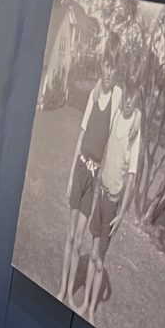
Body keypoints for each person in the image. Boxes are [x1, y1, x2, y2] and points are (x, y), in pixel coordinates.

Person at [57, 36, 118, 309]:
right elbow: (81, 135)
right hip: (80, 169)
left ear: (117, 69)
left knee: (80, 238)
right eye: (106, 65)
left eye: (113, 67)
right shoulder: (95, 94)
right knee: (70, 236)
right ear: (102, 65)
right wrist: (71, 176)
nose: (108, 71)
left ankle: (71, 292)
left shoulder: (117, 99)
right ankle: (61, 289)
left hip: (94, 178)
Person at [81, 56, 143, 324]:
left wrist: (122, 213)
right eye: (127, 95)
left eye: (133, 98)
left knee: (98, 259)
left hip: (113, 203)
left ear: (138, 97)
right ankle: (84, 303)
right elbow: (104, 87)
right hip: (100, 193)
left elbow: (131, 177)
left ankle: (92, 311)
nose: (128, 101)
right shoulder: (117, 112)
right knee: (91, 249)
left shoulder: (135, 129)